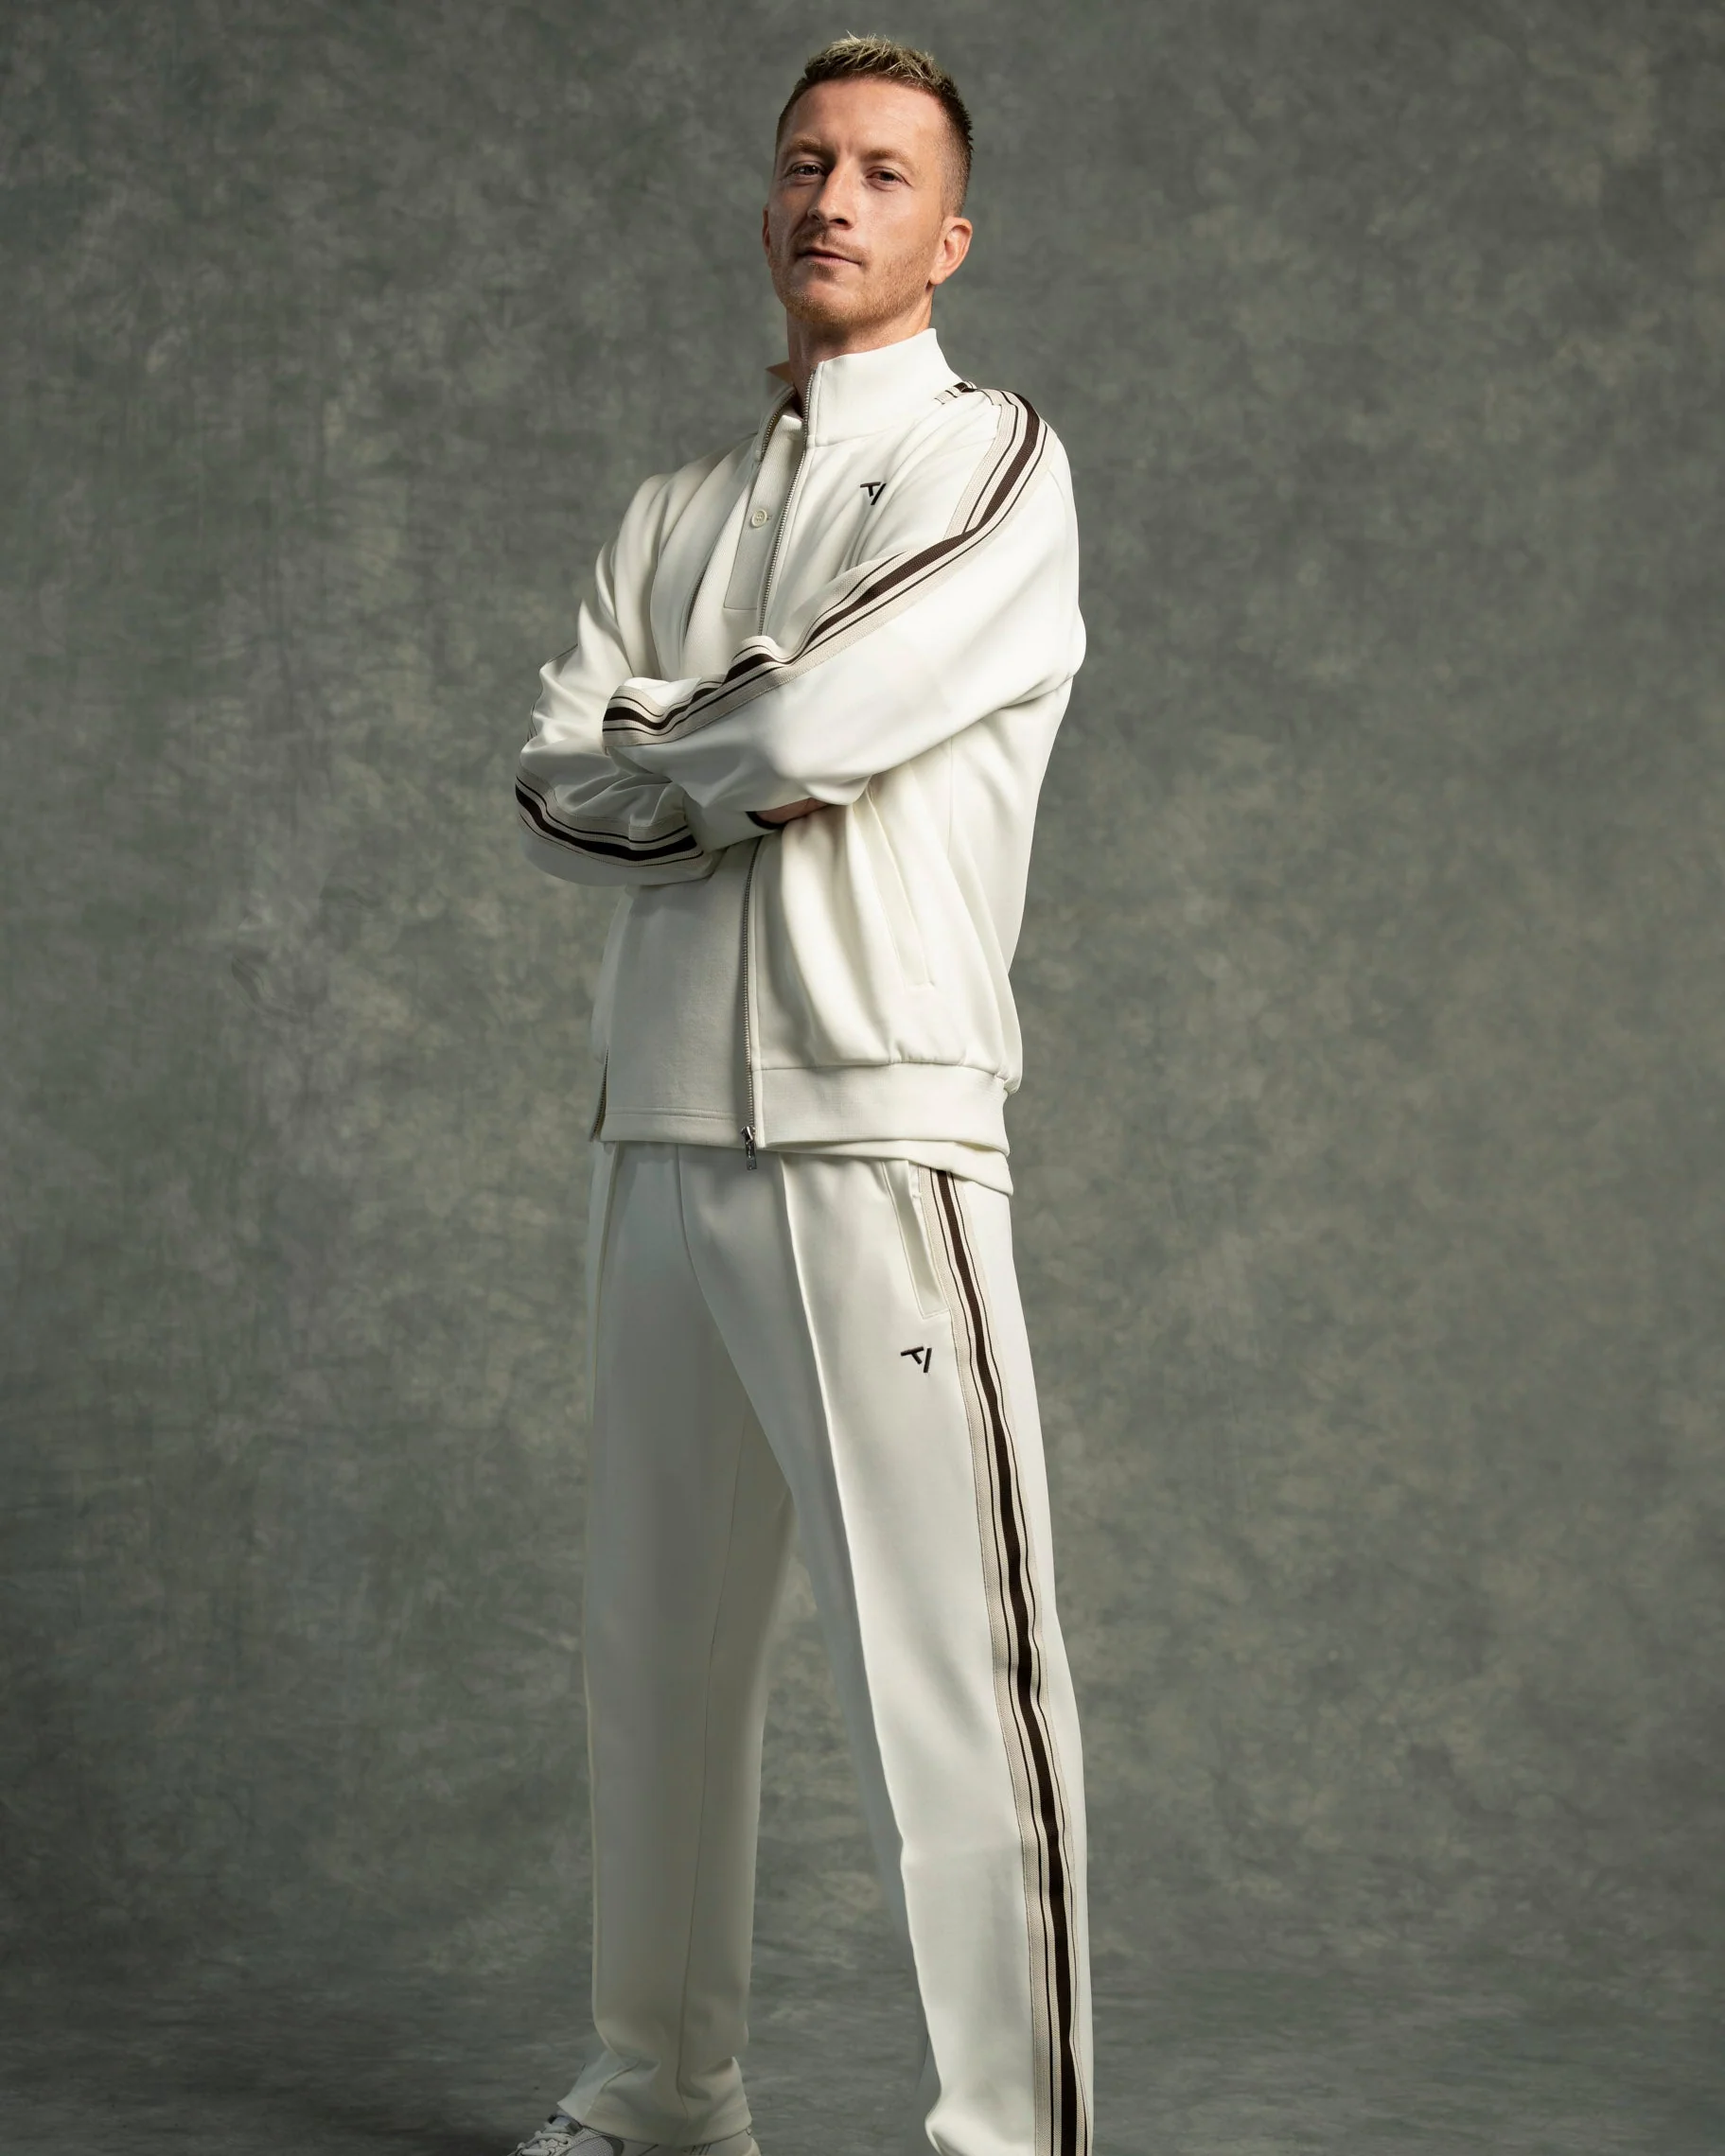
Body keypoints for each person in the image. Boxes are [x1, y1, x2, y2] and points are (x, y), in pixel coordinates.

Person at [507, 34, 1091, 2156]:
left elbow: (821, 715)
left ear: (951, 235)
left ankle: (1007, 2136)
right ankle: (659, 2091)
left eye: (879, 173)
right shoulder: (670, 511)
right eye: (801, 162)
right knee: (654, 1660)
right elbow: (549, 785)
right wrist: (725, 754)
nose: (829, 199)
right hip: (659, 1123)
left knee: (950, 1673)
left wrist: (676, 746)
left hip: (876, 1125)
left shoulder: (987, 462)